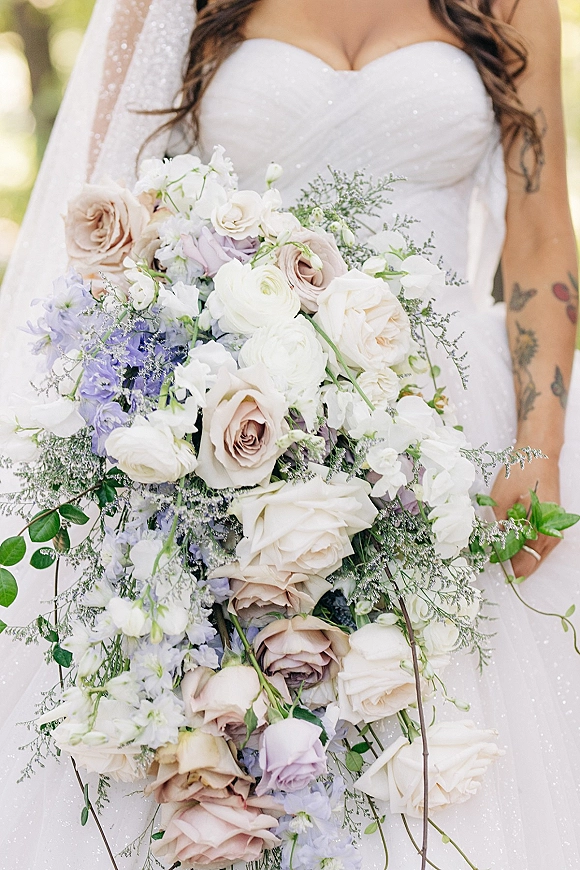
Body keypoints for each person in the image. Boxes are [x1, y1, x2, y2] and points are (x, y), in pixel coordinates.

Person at [0, 0, 579, 867]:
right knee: (221, 730)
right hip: (234, 417)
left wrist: (536, 447)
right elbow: (112, 235)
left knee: (438, 741)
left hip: (458, 436)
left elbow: (540, 246)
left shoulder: (509, 5)